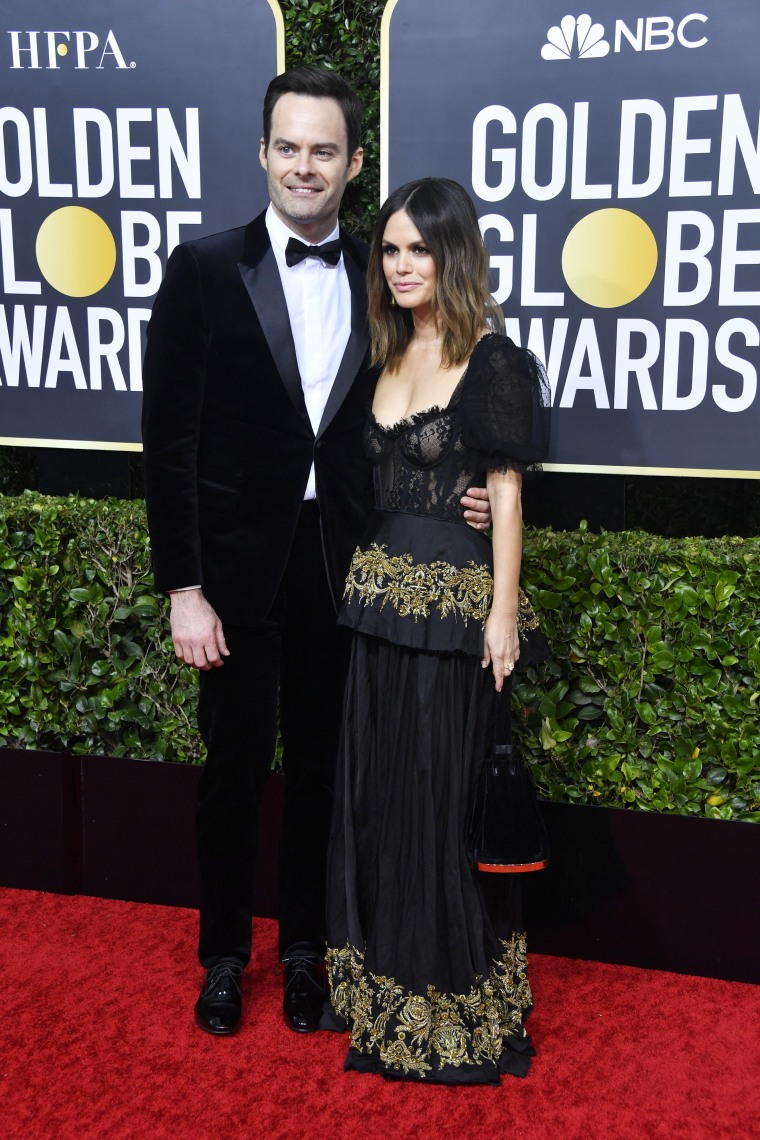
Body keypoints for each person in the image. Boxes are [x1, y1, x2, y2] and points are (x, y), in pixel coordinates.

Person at [141, 70, 491, 1038]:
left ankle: (305, 953)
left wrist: (469, 485)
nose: (305, 165)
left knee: (322, 773)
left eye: (324, 150)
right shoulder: (203, 268)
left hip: (345, 566)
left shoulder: (381, 279)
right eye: (288, 147)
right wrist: (184, 586)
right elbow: (167, 441)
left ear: (353, 162)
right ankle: (222, 956)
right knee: (233, 767)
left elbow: (424, 400)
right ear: (262, 153)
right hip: (236, 571)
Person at [323, 178, 551, 1084]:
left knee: (435, 797)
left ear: (454, 254)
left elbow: (505, 492)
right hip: (377, 607)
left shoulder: (492, 358)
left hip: (454, 616)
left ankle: (449, 995)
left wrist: (502, 614)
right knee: (381, 795)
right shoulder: (381, 351)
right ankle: (385, 986)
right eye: (389, 249)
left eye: (419, 248)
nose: (401, 264)